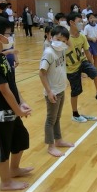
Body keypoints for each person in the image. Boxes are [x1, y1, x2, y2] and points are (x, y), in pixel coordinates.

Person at [0, 14, 34, 191]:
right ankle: (5, 182)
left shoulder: (1, 56)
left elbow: (11, 84)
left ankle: (14, 169)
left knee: (21, 139)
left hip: (10, 109)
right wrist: (18, 110)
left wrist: (21, 102)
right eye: (9, 34)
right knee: (2, 147)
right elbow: (4, 89)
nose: (11, 37)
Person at [39, 25, 75, 157]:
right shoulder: (49, 53)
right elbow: (42, 73)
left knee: (57, 118)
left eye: (64, 40)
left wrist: (66, 38)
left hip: (61, 89)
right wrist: (49, 92)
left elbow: (70, 46)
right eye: (58, 39)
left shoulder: (62, 49)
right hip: (53, 92)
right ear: (50, 37)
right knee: (50, 120)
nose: (61, 42)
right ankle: (51, 146)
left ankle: (58, 140)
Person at [64, 11, 97, 123]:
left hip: (82, 62)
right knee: (75, 91)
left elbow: (87, 52)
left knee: (96, 74)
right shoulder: (65, 38)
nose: (81, 23)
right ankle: (75, 114)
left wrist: (92, 66)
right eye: (79, 21)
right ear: (71, 22)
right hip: (71, 68)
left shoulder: (82, 36)